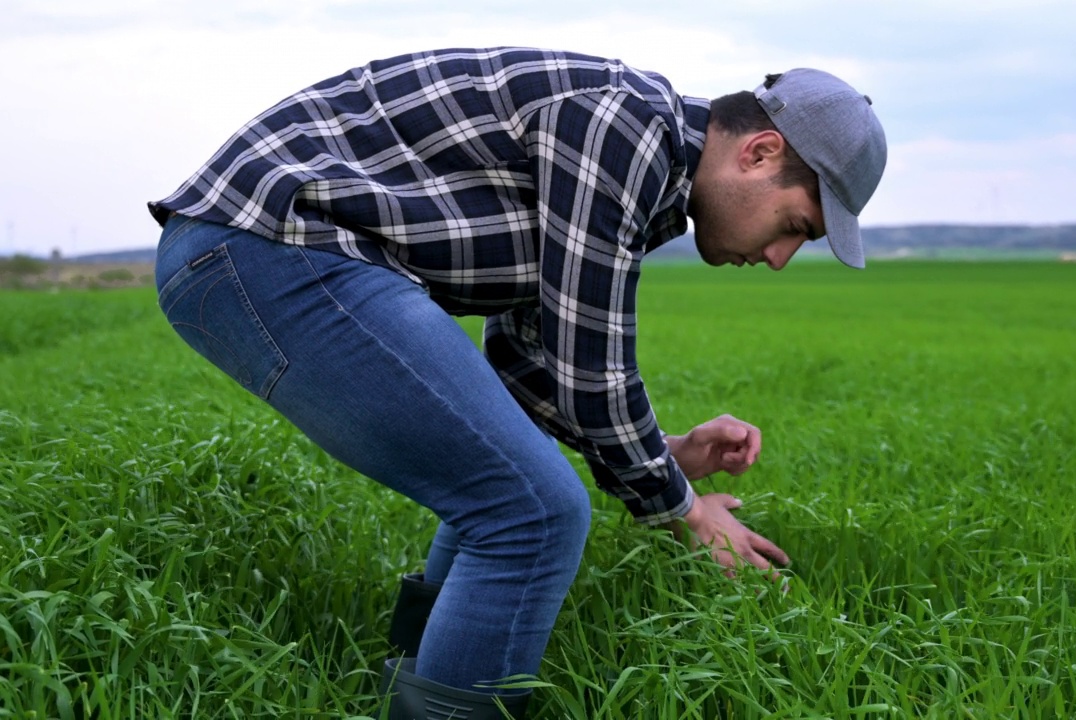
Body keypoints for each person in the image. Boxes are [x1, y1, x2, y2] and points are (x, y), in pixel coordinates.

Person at [148, 46, 886, 720]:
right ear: (760, 153)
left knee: (506, 487)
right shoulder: (623, 127)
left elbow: (528, 358)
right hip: (270, 245)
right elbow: (590, 364)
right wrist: (685, 511)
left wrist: (666, 450)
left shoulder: (649, 176)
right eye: (797, 224)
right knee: (533, 510)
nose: (783, 256)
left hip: (257, 251)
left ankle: (403, 685)